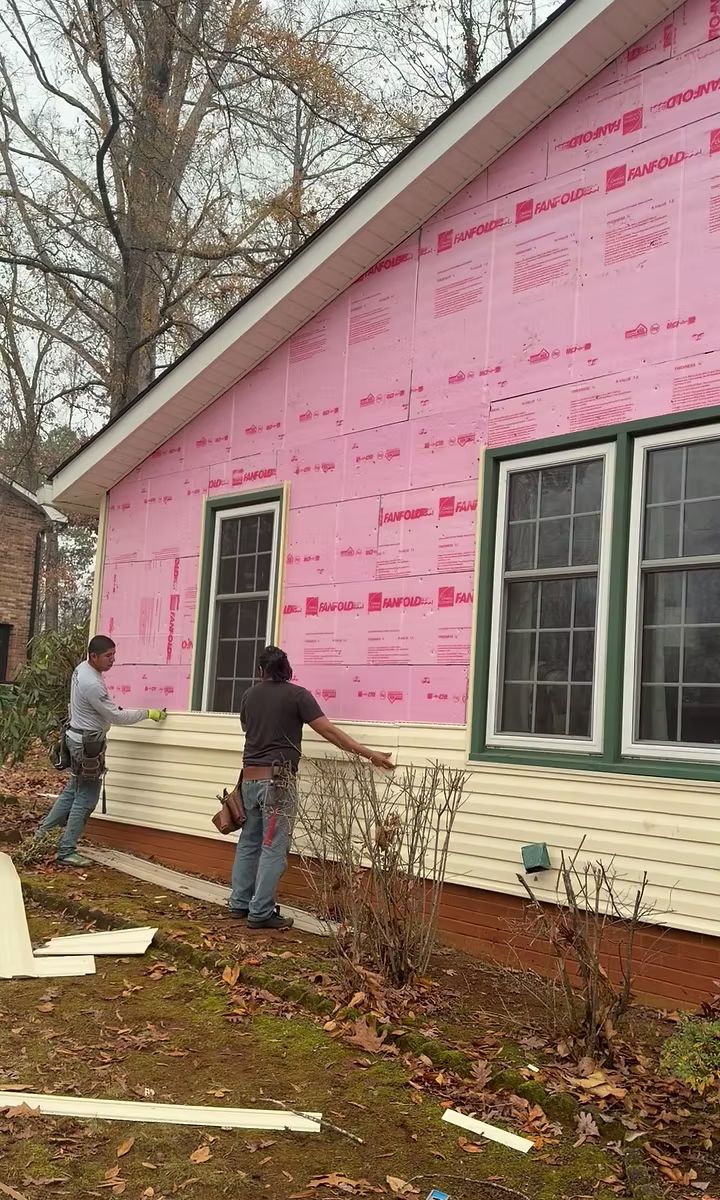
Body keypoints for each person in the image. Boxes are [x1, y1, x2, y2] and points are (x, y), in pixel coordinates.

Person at [230, 645, 394, 930]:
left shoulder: (248, 695)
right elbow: (329, 731)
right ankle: (261, 912)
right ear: (287, 670)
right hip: (277, 783)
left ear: (261, 671)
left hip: (250, 779)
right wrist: (371, 755)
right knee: (272, 847)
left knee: (249, 842)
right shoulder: (297, 695)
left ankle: (239, 903)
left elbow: (248, 728)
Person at [35, 634, 167, 867]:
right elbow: (115, 715)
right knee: (86, 797)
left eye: (114, 655)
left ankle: (41, 837)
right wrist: (148, 713)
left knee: (72, 791)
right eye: (108, 656)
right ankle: (66, 850)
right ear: (93, 656)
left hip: (77, 738)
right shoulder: (92, 683)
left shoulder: (82, 669)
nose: (112, 660)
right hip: (87, 746)